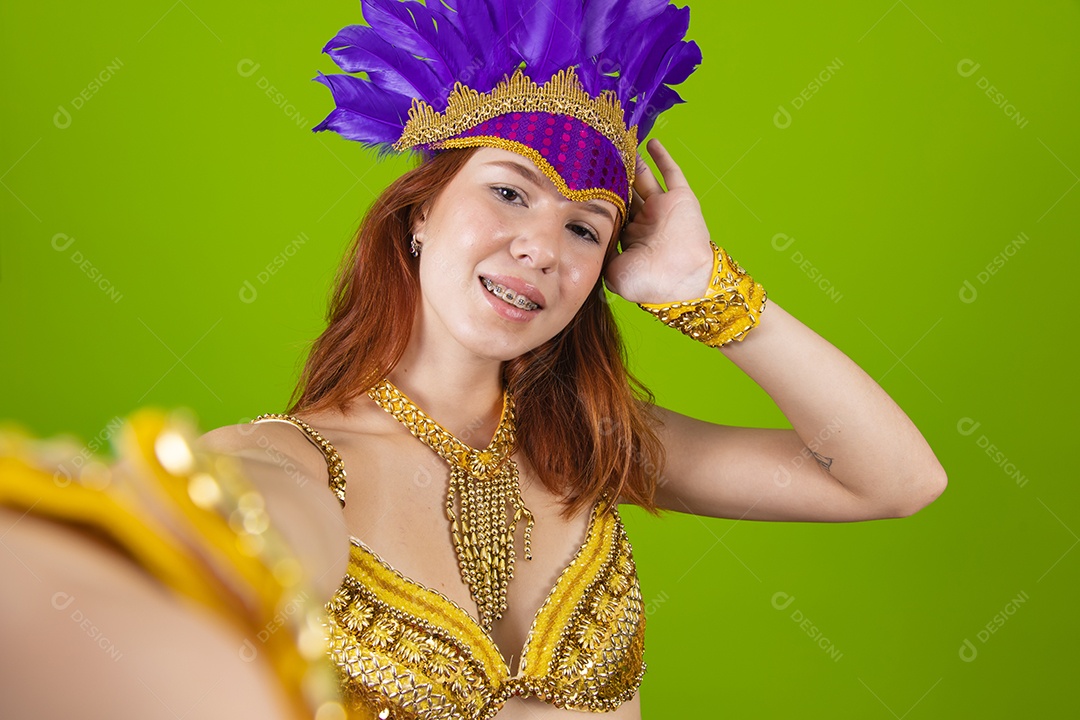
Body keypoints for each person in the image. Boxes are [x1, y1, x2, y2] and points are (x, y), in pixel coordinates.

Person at [196, 1, 947, 719]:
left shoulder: (592, 442)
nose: (542, 249)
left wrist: (702, 290)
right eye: (509, 193)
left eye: (585, 229)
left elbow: (896, 480)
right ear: (421, 211)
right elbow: (230, 522)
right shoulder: (287, 464)